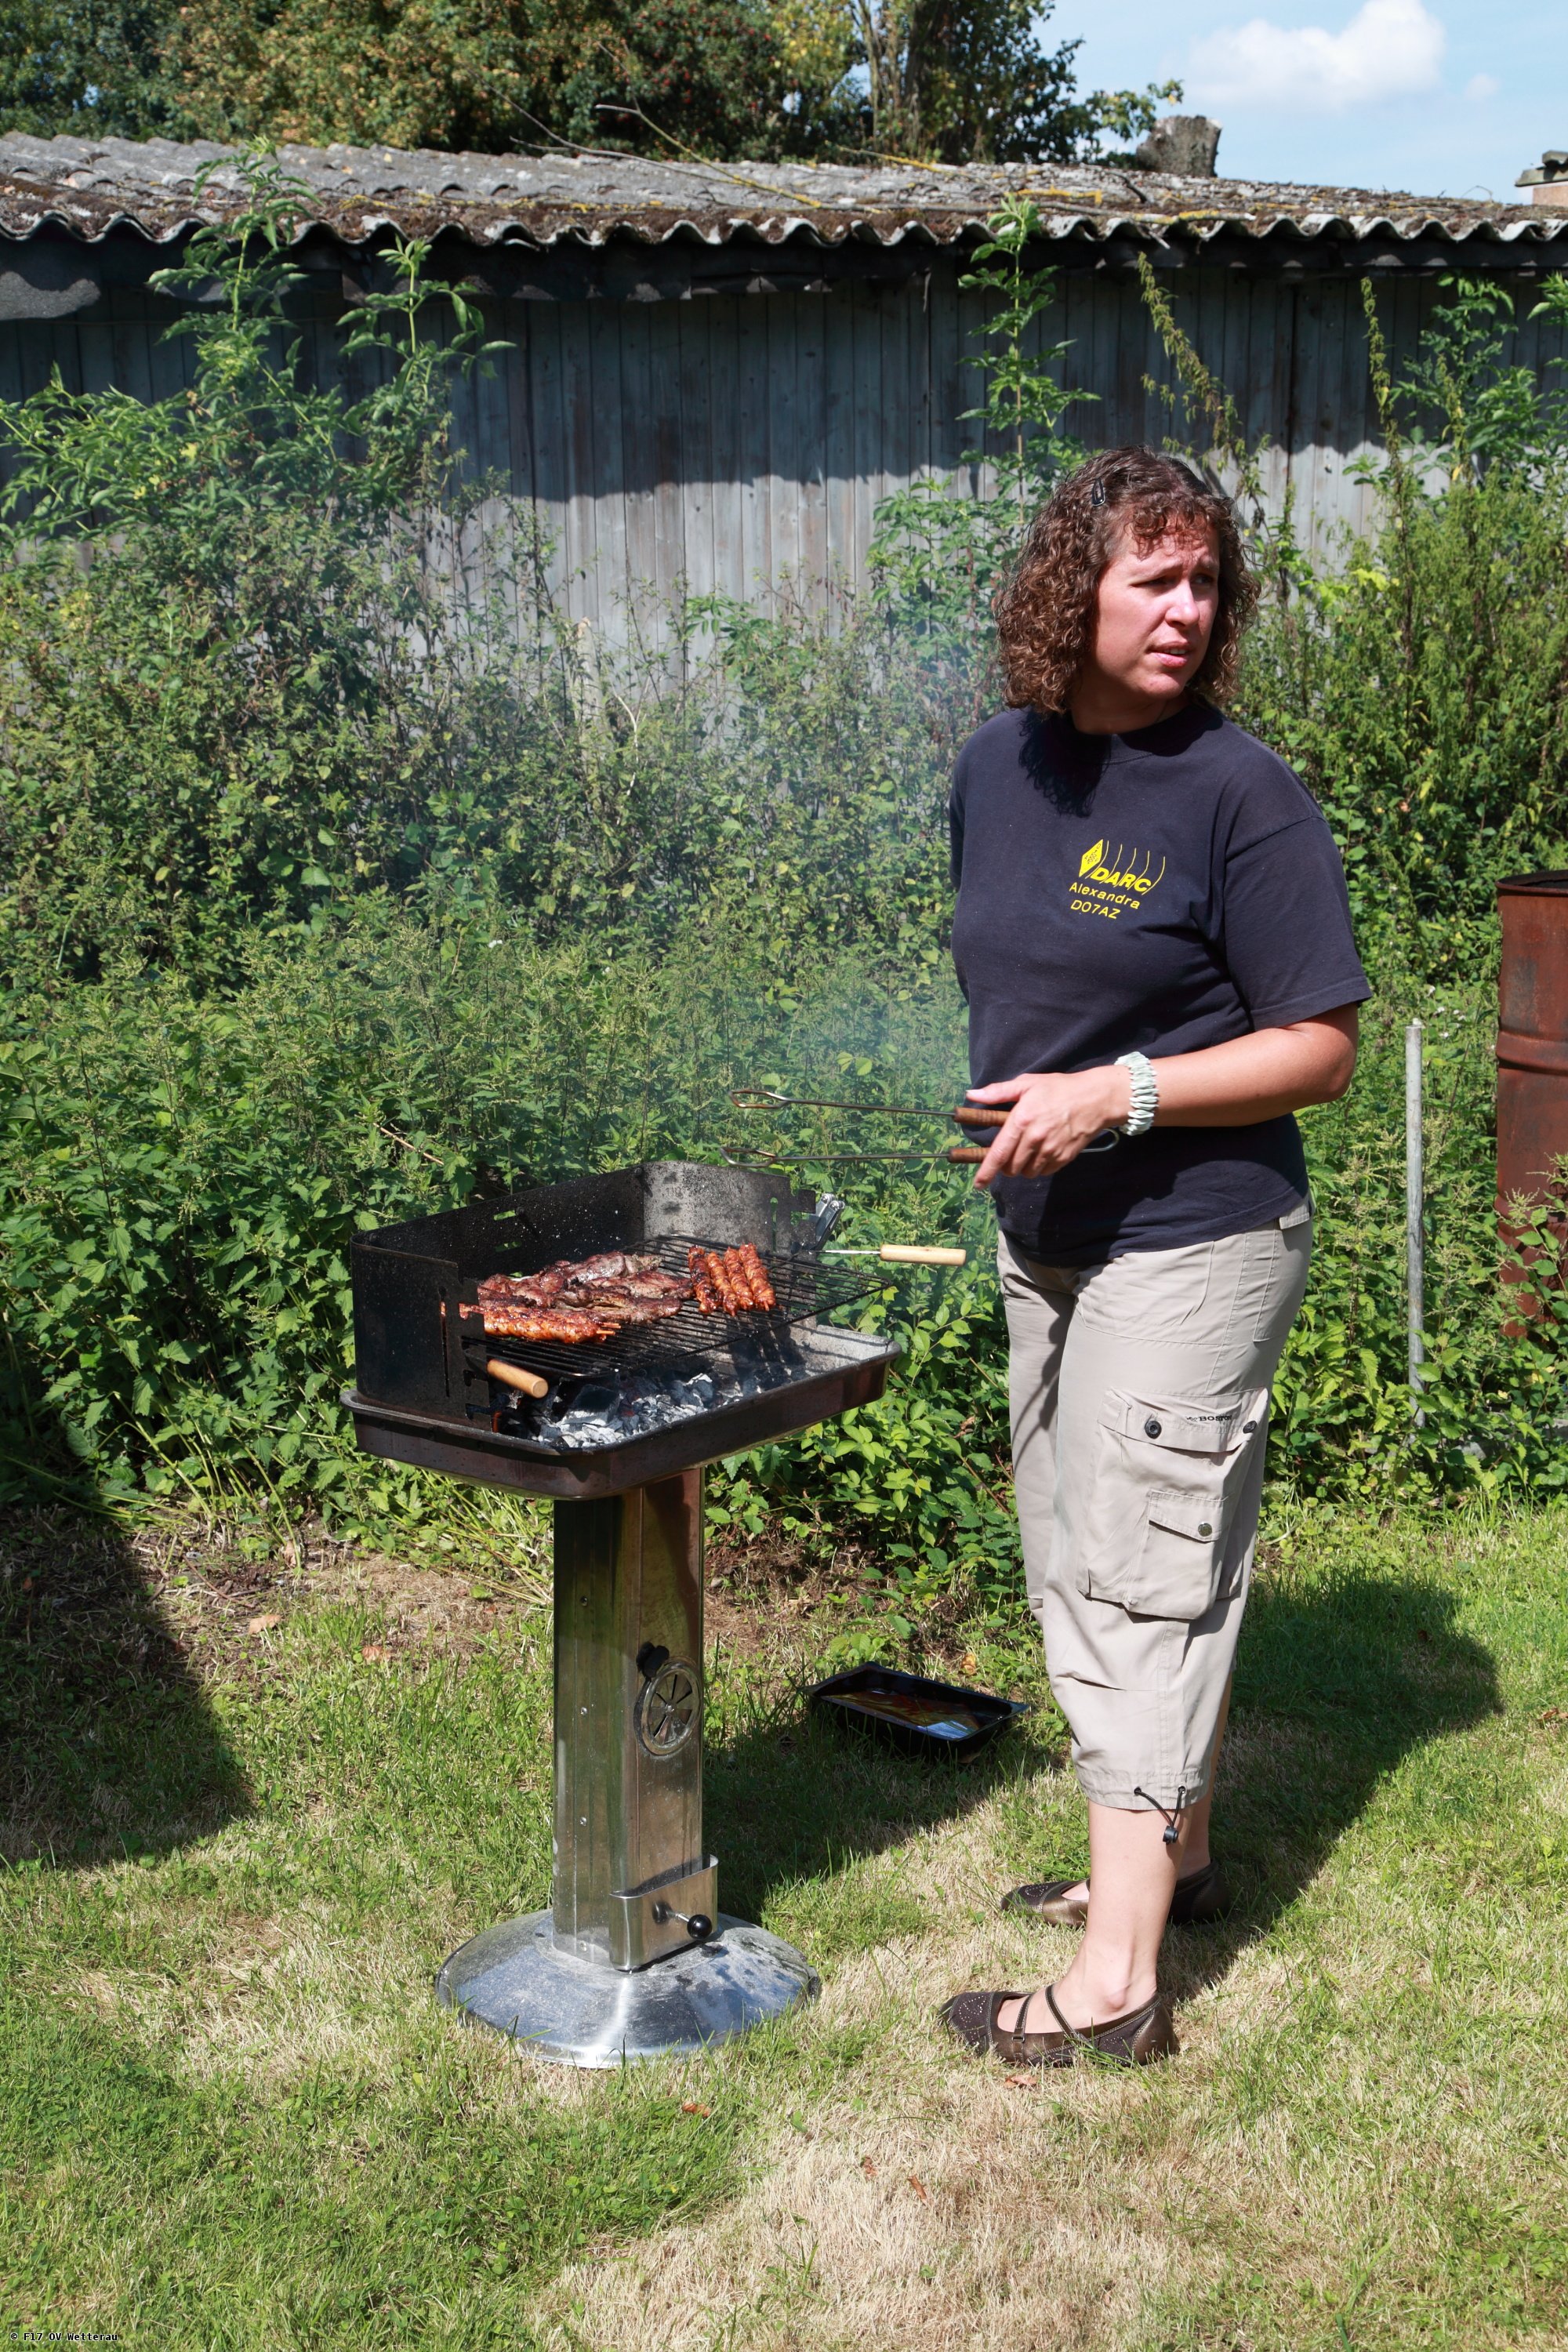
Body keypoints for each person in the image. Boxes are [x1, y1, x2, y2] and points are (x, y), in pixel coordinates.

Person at [938, 447, 1370, 2069]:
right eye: (1154, 578)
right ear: (1076, 592)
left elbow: (1321, 1047)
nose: (1188, 609)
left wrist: (1112, 1094)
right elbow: (1021, 971)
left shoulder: (1240, 794)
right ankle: (1171, 1859)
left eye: (1207, 582)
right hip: (1046, 1236)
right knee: (1083, 1555)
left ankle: (1114, 1990)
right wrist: (1023, 1102)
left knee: (1138, 1581)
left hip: (1197, 1240)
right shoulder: (1000, 765)